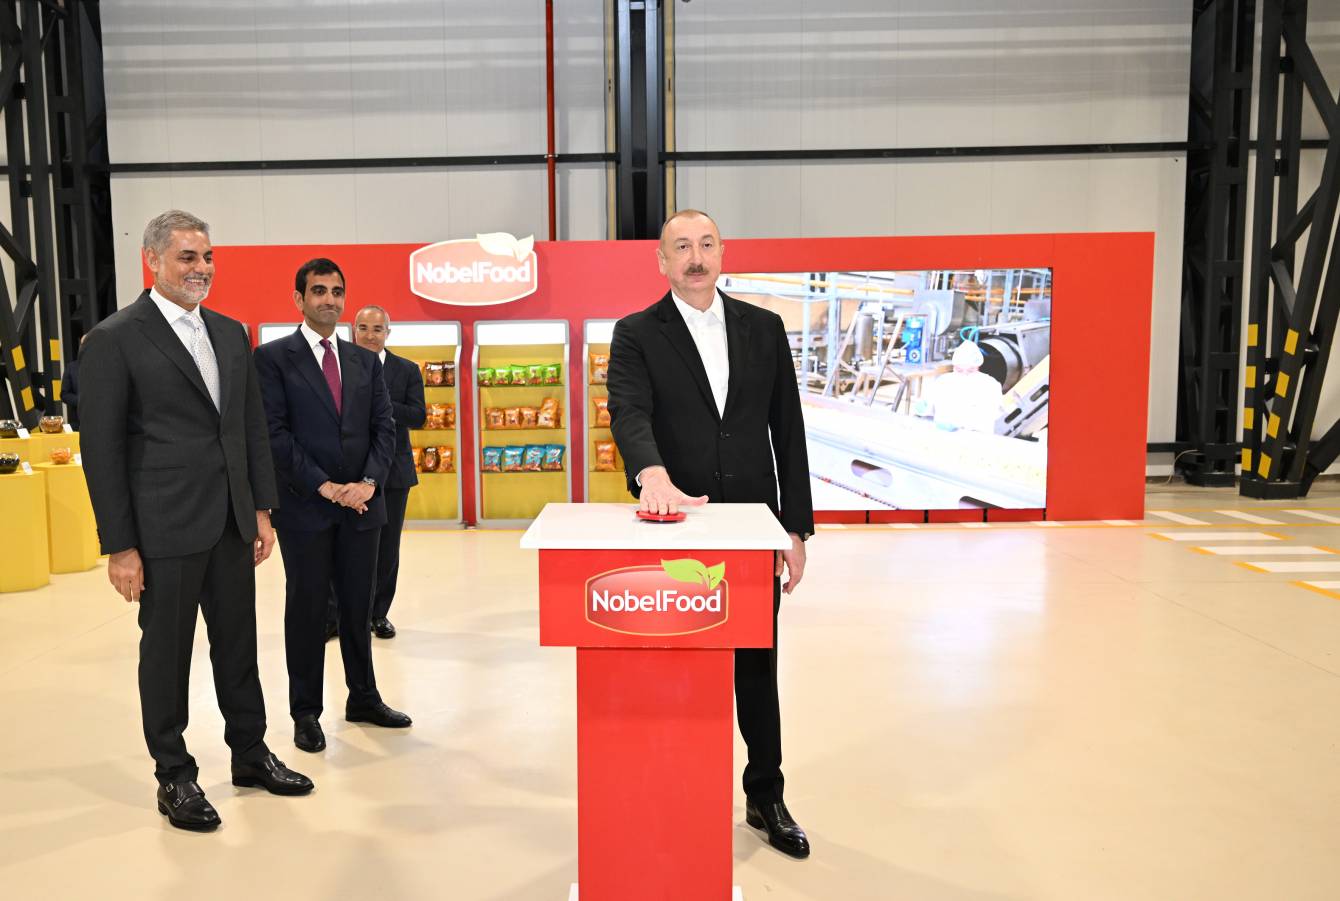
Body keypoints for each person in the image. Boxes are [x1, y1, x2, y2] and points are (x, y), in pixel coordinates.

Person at [79, 210, 313, 832]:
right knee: (167, 655)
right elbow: (101, 451)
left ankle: (250, 753)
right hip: (163, 530)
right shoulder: (113, 339)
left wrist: (260, 508)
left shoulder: (230, 333)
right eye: (187, 257)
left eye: (207, 257)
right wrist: (120, 546)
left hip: (232, 523)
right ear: (153, 260)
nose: (201, 268)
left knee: (238, 645)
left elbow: (248, 428)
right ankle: (174, 775)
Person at [606, 209, 815, 859]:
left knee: (757, 666)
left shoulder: (764, 328)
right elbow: (628, 410)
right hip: (677, 523)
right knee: (676, 666)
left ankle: (765, 794)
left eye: (705, 244)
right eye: (681, 247)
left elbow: (788, 430)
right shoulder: (637, 333)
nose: (695, 257)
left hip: (752, 527)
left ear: (722, 253)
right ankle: (675, 789)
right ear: (661, 261)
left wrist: (795, 528)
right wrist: (651, 473)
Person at [253, 258, 412, 755]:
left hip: (362, 508)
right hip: (306, 508)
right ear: (299, 299)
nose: (329, 299)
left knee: (359, 607)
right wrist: (323, 485)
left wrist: (368, 483)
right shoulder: (272, 359)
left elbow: (384, 428)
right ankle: (305, 712)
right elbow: (274, 434)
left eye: (337, 291)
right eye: (319, 290)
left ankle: (363, 697)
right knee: (306, 611)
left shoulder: (364, 361)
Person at [350, 305, 426, 639]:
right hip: (348, 472)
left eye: (377, 329)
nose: (370, 335)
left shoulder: (406, 370)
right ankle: (338, 615)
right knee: (345, 546)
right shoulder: (338, 365)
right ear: (354, 330)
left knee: (387, 547)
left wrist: (378, 404)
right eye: (363, 328)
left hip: (394, 473)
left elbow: (418, 416)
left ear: (388, 333)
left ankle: (378, 614)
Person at [918, 340, 1004, 433]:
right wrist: (923, 407)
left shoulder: (990, 385)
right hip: (944, 435)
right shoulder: (943, 382)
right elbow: (929, 407)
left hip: (975, 437)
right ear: (954, 366)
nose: (964, 373)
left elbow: (993, 415)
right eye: (959, 370)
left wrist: (961, 424)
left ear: (978, 367)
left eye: (970, 370)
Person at [62, 336, 84, 429]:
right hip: (77, 421)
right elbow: (64, 394)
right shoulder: (72, 367)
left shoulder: (103, 367)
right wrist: (81, 401)